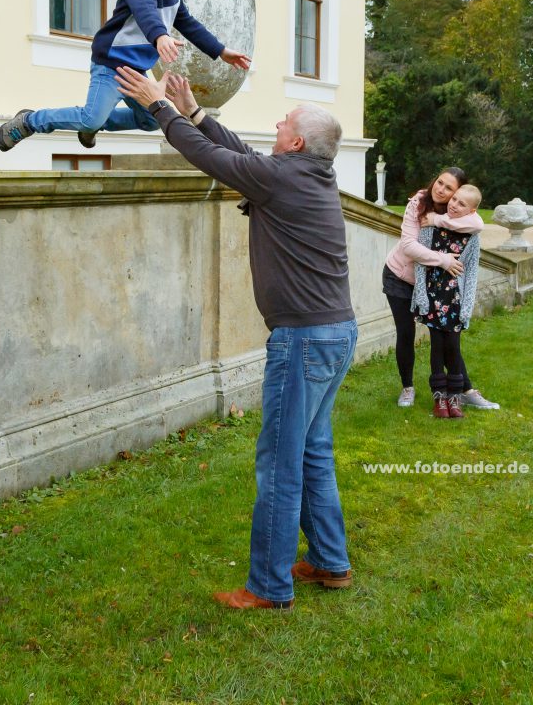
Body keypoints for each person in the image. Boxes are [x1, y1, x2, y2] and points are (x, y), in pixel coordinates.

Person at [115, 64, 357, 612]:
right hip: (333, 333)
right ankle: (329, 561)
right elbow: (241, 159)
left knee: (279, 463)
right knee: (312, 452)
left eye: (284, 121)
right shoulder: (303, 172)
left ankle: (269, 587)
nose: (276, 122)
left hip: (304, 341)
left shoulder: (283, 177)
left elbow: (213, 160)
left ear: (295, 141)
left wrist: (161, 107)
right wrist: (194, 112)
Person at [0, 0, 251, 152]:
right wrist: (160, 36)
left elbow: (187, 22)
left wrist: (220, 51)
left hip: (136, 70)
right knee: (89, 116)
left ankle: (96, 125)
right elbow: (145, 11)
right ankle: (30, 121)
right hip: (112, 65)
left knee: (151, 120)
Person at [382, 168, 499, 410]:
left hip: (435, 287)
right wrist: (443, 259)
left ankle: (465, 390)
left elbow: (478, 223)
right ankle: (407, 388)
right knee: (406, 334)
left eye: (449, 188)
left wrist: (438, 220)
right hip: (400, 277)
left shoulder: (454, 210)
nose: (441, 190)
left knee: (448, 337)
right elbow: (409, 246)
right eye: (440, 183)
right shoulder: (418, 202)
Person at [412, 185, 483, 419]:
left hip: (455, 299)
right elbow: (420, 263)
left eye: (462, 204)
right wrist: (421, 294)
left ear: (472, 211)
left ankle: (455, 397)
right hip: (433, 296)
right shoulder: (430, 225)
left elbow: (471, 272)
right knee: (436, 346)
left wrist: (468, 305)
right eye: (454, 199)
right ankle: (439, 398)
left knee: (453, 347)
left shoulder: (472, 236)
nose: (454, 204)